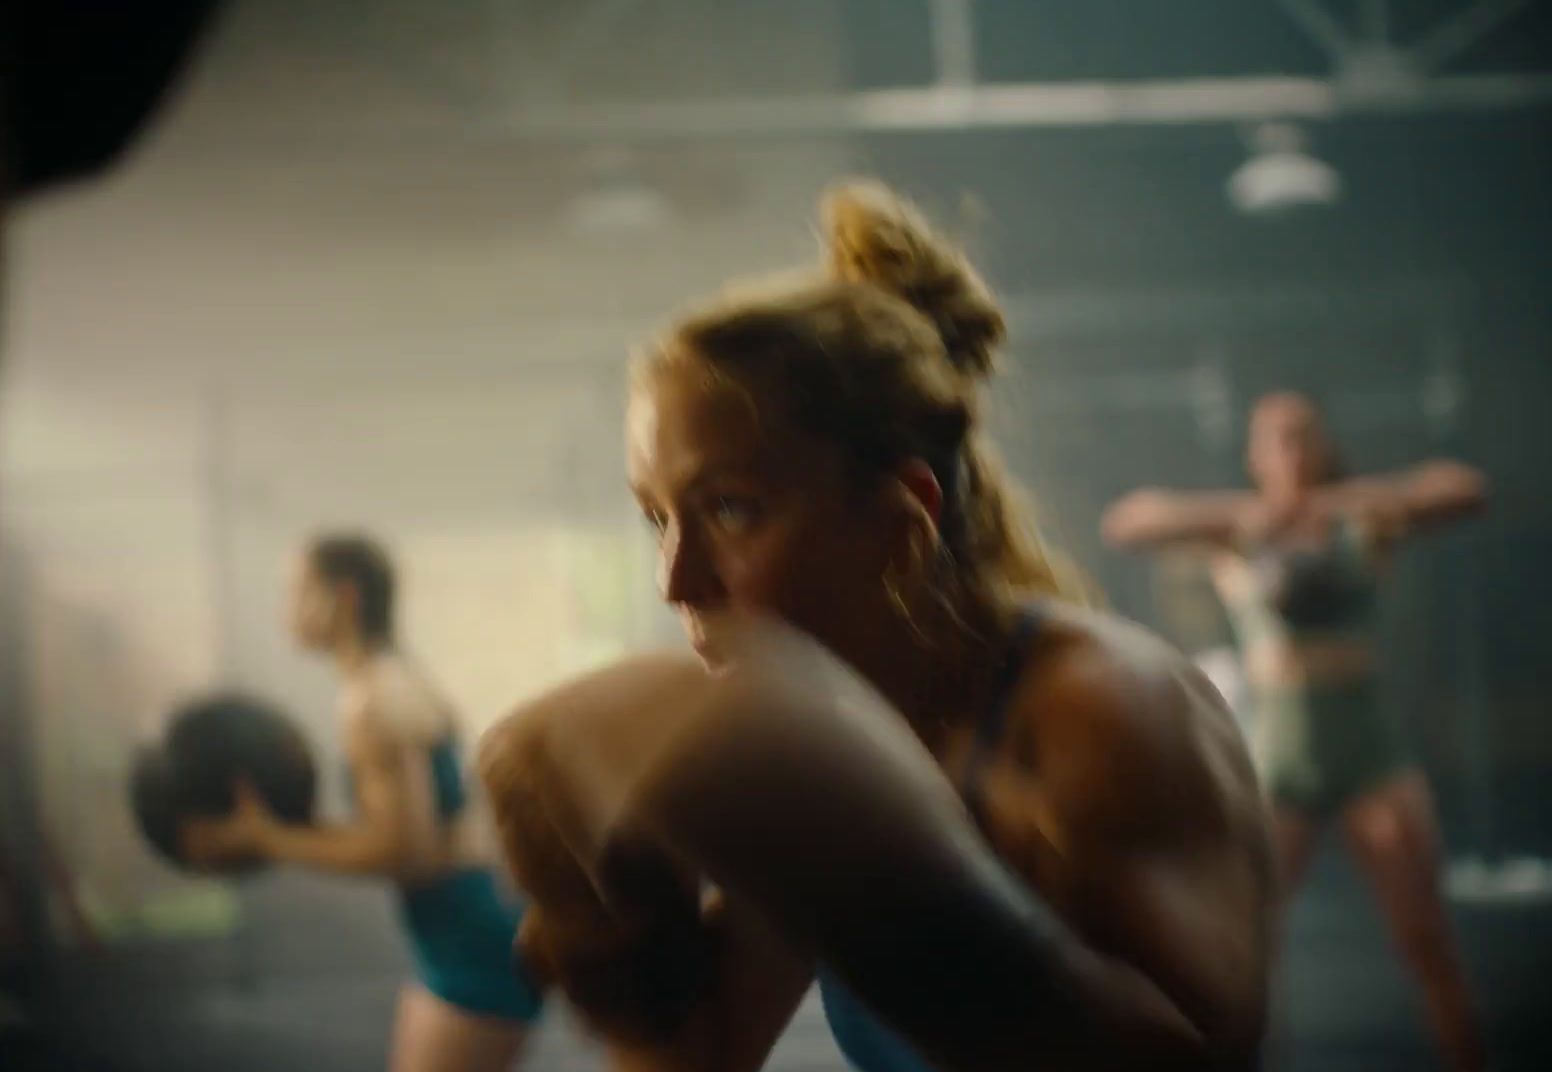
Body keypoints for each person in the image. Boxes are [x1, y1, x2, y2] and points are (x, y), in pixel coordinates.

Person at [476, 181, 1274, 1072]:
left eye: (732, 510)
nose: (678, 580)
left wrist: (890, 879)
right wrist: (622, 942)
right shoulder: (831, 726)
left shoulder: (1104, 709)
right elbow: (708, 1052)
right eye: (657, 519)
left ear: (900, 521)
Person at [1102, 390, 1488, 1072]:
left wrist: (1339, 504)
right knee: (1248, 952)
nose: (1291, 452)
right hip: (1277, 759)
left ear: (1324, 446)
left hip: (1368, 749)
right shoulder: (1241, 531)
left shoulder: (1363, 521)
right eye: (1275, 439)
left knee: (1425, 939)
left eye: (1303, 436)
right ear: (1256, 456)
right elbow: (1128, 522)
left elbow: (1465, 488)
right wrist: (1251, 513)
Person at [183, 534, 543, 1072]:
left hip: (471, 931)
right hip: (455, 925)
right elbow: (398, 831)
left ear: (344, 597)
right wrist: (271, 831)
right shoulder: (386, 680)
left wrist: (266, 839)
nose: (287, 610)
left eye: (298, 591)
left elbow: (409, 853)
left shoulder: (372, 700)